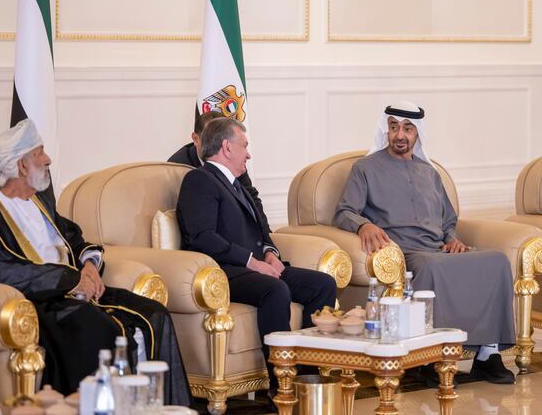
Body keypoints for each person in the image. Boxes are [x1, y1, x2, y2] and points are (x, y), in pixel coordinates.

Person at [0, 120, 191, 403]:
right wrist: (70, 280)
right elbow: (1, 271)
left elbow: (76, 240)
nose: (48, 159)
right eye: (40, 153)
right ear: (22, 166)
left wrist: (88, 266)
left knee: (154, 314)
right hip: (44, 303)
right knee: (96, 327)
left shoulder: (39, 204)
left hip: (83, 291)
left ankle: (158, 408)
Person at [333, 101, 517, 385]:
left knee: (496, 261)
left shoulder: (429, 172)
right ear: (386, 129)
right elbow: (344, 211)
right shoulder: (365, 168)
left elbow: (447, 220)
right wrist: (364, 224)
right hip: (405, 251)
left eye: (408, 128)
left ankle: (487, 355)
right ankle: (430, 358)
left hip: (438, 249)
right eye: (394, 127)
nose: (400, 135)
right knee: (431, 266)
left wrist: (452, 239)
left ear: (418, 133)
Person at [175, 117, 336, 400]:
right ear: (226, 147)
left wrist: (271, 253)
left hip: (256, 266)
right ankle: (281, 385)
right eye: (244, 145)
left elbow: (261, 229)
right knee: (275, 290)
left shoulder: (239, 183)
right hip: (224, 271)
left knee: (322, 284)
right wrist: (252, 261)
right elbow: (202, 236)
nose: (248, 153)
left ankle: (306, 380)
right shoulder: (199, 180)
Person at [169, 110, 272, 237]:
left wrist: (268, 240)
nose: (218, 144)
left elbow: (251, 198)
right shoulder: (176, 167)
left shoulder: (234, 161)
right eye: (210, 137)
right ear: (196, 139)